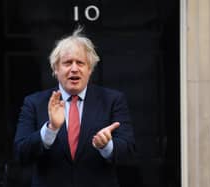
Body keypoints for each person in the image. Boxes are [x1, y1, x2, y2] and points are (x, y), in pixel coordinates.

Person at [14, 27, 135, 187]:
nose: (74, 68)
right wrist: (50, 130)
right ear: (55, 69)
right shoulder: (34, 103)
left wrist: (107, 146)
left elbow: (129, 152)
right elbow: (21, 153)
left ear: (90, 69)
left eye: (80, 63)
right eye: (67, 63)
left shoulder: (113, 100)